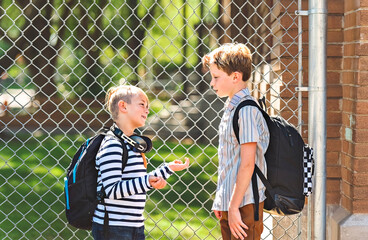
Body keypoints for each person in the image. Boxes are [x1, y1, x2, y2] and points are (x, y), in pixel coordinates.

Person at [92, 85, 190, 240]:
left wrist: (167, 169)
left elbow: (136, 183)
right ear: (123, 106)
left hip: (134, 225)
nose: (147, 110)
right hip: (113, 227)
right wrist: (146, 181)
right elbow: (112, 190)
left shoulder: (131, 145)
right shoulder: (113, 145)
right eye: (142, 104)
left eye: (148, 106)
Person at [202, 43, 270, 240]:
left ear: (235, 77)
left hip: (244, 203)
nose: (212, 83)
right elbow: (229, 160)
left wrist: (233, 207)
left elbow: (247, 164)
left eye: (216, 77)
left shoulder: (246, 110)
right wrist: (222, 201)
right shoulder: (231, 107)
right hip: (231, 202)